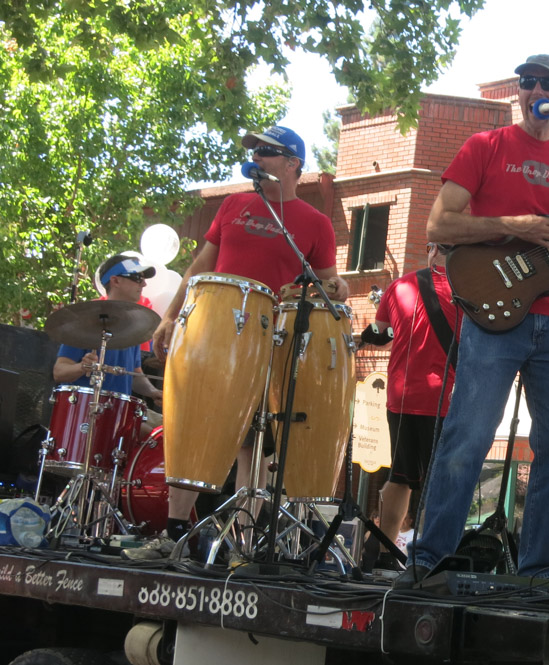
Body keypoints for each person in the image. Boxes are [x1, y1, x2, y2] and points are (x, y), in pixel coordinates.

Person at [393, 54, 549, 588]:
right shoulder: (485, 147)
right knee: (469, 435)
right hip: (493, 315)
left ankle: (539, 567)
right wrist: (510, 224)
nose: (535, 87)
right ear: (519, 91)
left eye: (548, 82)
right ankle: (428, 560)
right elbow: (438, 223)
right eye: (528, 81)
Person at [136, 125, 349, 560]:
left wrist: (339, 288)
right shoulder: (234, 204)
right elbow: (202, 264)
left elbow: (329, 283)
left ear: (292, 164)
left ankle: (244, 540)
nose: (258, 158)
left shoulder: (315, 223)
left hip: (270, 337)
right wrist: (171, 316)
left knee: (256, 440)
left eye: (268, 152)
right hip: (213, 331)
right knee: (197, 423)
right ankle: (175, 532)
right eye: (256, 151)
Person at [370, 242, 458, 551]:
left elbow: (378, 331)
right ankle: (430, 556)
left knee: (399, 476)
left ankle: (384, 552)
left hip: (400, 395)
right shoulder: (468, 291)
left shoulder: (399, 285)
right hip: (442, 399)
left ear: (433, 250)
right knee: (440, 481)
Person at [54, 254, 165, 412]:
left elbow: (134, 376)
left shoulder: (134, 328)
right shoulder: (87, 320)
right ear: (116, 281)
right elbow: (59, 371)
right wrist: (82, 367)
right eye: (137, 278)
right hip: (81, 412)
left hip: (117, 413)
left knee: (162, 432)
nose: (144, 283)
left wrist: (153, 392)